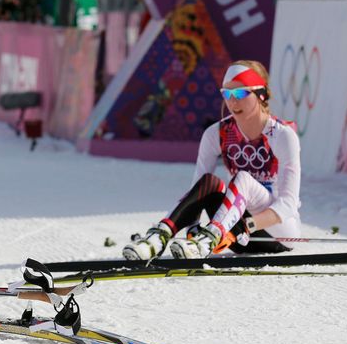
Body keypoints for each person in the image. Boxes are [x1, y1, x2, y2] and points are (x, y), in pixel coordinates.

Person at [124, 60, 301, 260]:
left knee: (243, 179)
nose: (233, 102)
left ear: (261, 94)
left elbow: (288, 204)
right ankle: (158, 238)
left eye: (241, 93)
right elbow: (197, 192)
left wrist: (244, 226)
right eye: (227, 94)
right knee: (209, 182)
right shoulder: (217, 133)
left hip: (277, 232)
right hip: (234, 232)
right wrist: (192, 227)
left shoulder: (282, 135)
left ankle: (209, 239)